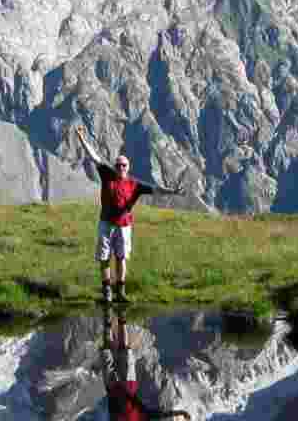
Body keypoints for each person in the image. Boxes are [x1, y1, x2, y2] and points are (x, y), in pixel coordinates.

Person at [75, 125, 180, 304]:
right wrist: (81, 138)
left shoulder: (135, 185)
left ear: (128, 167)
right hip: (106, 224)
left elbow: (155, 190)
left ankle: (120, 291)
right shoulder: (106, 174)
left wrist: (172, 192)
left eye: (123, 165)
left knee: (121, 257)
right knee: (104, 257)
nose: (120, 167)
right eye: (118, 165)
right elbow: (94, 156)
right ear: (115, 166)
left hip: (124, 226)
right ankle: (107, 290)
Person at [102, 307, 189, 421]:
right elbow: (160, 415)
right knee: (123, 349)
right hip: (127, 386)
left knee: (108, 350)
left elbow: (112, 411)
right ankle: (120, 313)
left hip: (115, 388)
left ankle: (108, 312)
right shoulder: (143, 418)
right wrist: (179, 412)